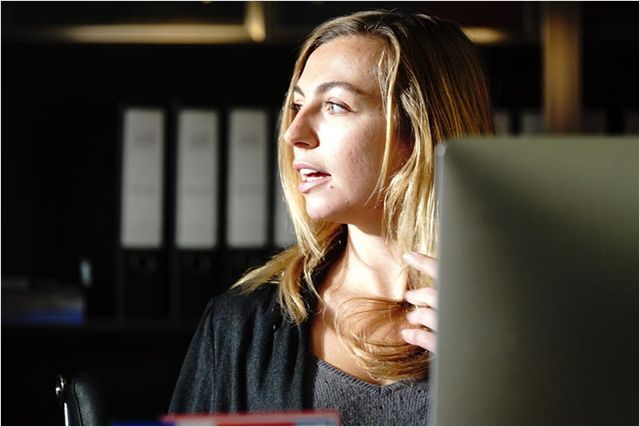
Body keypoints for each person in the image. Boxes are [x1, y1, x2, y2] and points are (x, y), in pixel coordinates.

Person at [169, 9, 494, 425]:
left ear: (420, 129)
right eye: (297, 105)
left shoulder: (527, 320)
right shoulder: (241, 324)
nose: (294, 133)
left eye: (336, 105)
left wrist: (498, 371)